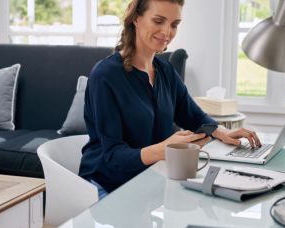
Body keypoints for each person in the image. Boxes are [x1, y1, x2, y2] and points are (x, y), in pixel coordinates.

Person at [79, 0, 261, 199]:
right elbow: (113, 156)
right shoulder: (105, 75)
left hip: (150, 179)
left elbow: (194, 116)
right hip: (106, 185)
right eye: (158, 21)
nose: (167, 32)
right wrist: (162, 150)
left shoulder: (165, 70)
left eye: (174, 24)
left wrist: (224, 132)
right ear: (136, 19)